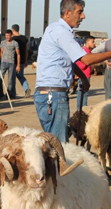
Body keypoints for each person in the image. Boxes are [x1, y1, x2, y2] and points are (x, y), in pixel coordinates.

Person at [34, 0, 111, 143]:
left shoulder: (54, 29)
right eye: (79, 12)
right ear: (68, 13)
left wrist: (82, 77)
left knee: (53, 143)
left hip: (48, 94)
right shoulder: (61, 32)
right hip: (54, 96)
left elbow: (66, 60)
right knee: (60, 146)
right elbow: (86, 60)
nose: (83, 16)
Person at [0, 29, 20, 100]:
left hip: (11, 63)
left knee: (10, 80)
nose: (7, 37)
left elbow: (18, 54)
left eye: (8, 35)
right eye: (6, 35)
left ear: (12, 35)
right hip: (3, 62)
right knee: (0, 78)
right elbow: (1, 52)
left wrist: (18, 65)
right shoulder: (3, 43)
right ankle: (1, 93)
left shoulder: (15, 43)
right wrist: (1, 61)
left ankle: (9, 94)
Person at [76, 35, 96, 109]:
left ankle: (81, 109)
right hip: (84, 75)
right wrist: (79, 73)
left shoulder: (87, 51)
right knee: (83, 93)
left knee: (83, 93)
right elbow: (81, 64)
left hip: (85, 75)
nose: (94, 43)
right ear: (87, 42)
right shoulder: (85, 51)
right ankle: (81, 109)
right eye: (92, 42)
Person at [12, 24, 31, 98]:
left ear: (13, 30)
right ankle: (26, 88)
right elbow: (26, 50)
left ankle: (12, 92)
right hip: (22, 59)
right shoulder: (24, 38)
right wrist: (26, 60)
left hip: (14, 60)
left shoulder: (13, 39)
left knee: (12, 77)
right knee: (20, 76)